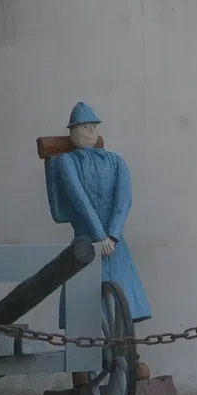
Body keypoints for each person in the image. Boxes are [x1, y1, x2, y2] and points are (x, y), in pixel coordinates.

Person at [45, 102, 152, 323]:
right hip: (86, 241)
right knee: (83, 306)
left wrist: (112, 235)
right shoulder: (67, 162)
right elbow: (79, 200)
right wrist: (99, 236)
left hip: (115, 245)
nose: (91, 131)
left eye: (94, 126)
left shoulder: (116, 161)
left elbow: (124, 200)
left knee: (124, 302)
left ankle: (120, 346)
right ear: (73, 131)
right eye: (84, 127)